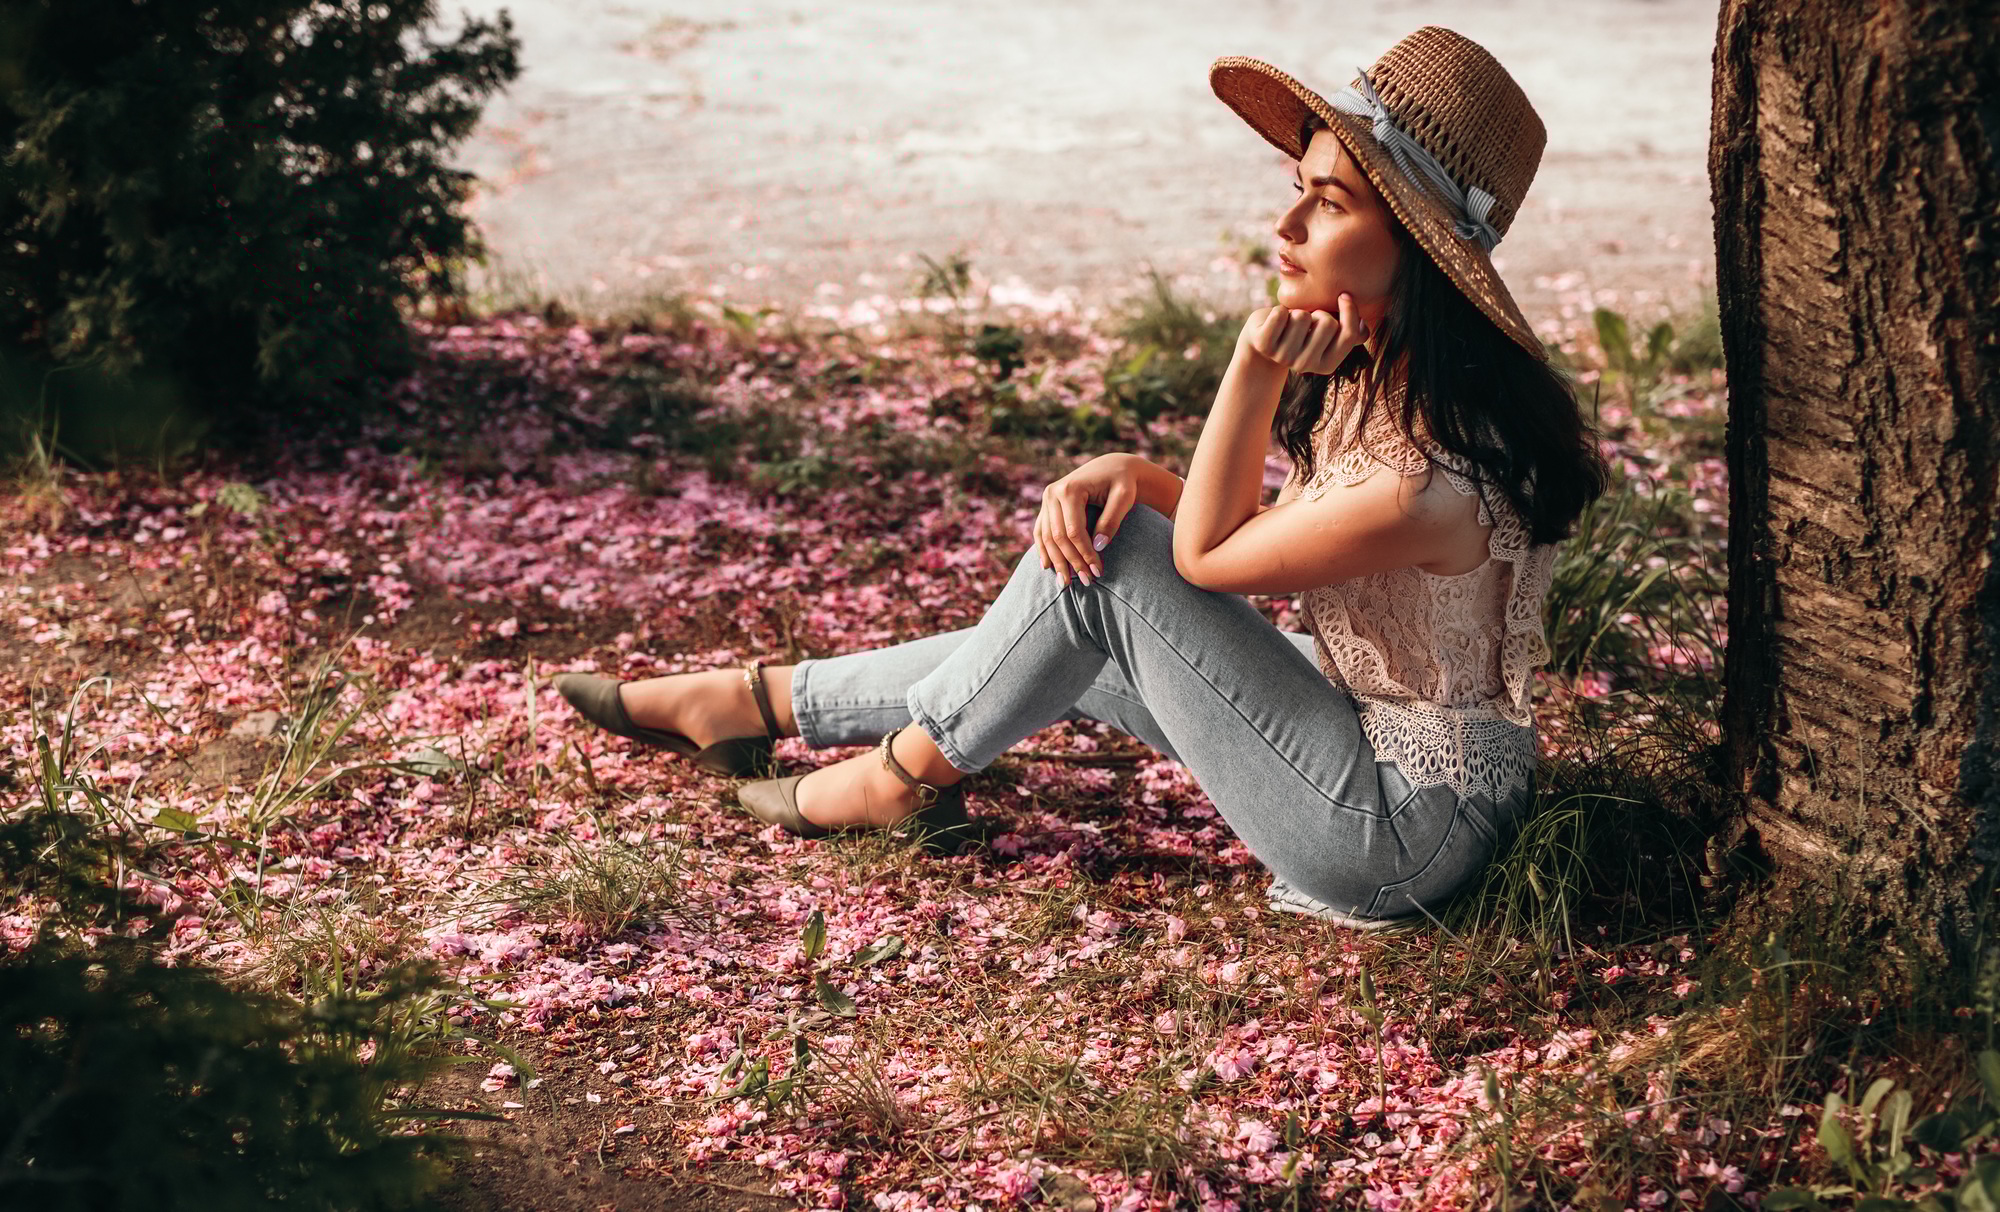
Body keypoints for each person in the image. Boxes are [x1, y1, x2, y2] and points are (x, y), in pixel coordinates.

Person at [554, 26, 1610, 929]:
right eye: (1296, 191)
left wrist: (1246, 367)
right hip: (1382, 741)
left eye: (1327, 205)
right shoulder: (1395, 386)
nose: (1285, 229)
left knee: (1112, 565)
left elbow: (1201, 556)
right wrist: (1126, 471)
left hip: (1400, 839)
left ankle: (895, 780)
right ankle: (755, 701)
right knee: (1093, 634)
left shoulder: (1426, 471)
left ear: (1418, 249)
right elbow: (1255, 528)